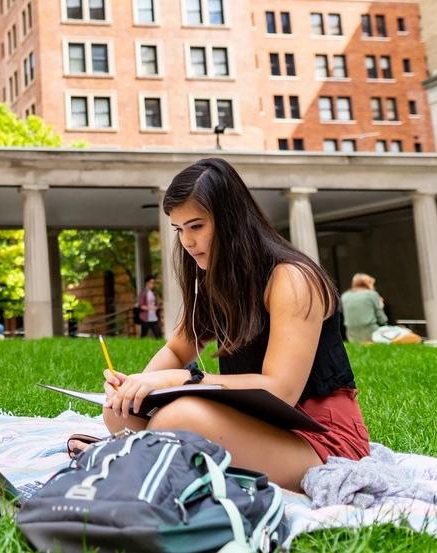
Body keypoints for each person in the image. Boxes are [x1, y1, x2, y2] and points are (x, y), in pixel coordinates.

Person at [102, 158, 368, 492]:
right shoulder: (215, 280)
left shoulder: (291, 278)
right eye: (179, 229)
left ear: (230, 221)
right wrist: (138, 386)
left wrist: (184, 379)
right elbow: (176, 348)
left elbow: (281, 391)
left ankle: (150, 458)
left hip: (319, 438)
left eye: (196, 226)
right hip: (258, 424)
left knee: (175, 420)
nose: (186, 241)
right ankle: (153, 456)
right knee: (119, 414)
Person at [341, 273, 388, 344]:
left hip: (351, 335)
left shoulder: (345, 296)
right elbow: (382, 319)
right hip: (371, 334)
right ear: (368, 283)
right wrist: (381, 305)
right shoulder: (372, 294)